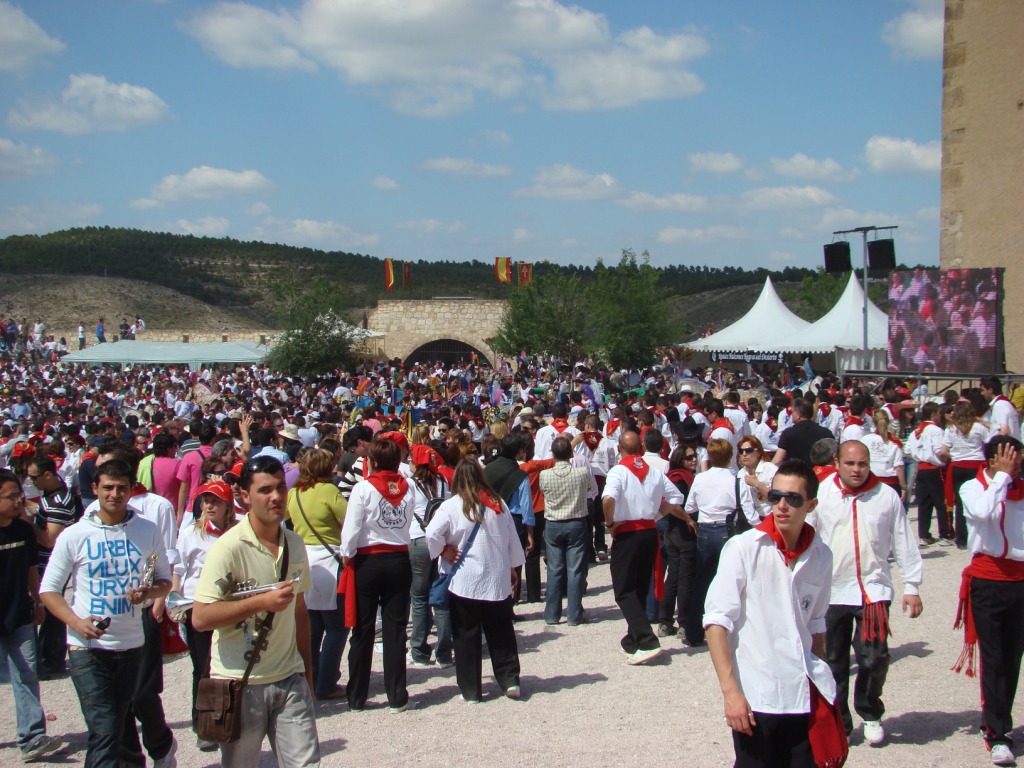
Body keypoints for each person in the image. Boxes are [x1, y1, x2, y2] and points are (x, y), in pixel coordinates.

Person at [705, 459, 847, 768]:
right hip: (758, 696)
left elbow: (817, 623)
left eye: (793, 499)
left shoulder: (822, 555)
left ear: (811, 504)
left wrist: (820, 681)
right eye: (775, 496)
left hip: (803, 696)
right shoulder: (742, 548)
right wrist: (731, 693)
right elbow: (716, 622)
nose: (782, 505)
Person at [40, 459, 173, 768]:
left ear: (131, 490)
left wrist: (149, 593)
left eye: (121, 488)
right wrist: (75, 622)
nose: (115, 494)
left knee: (120, 720)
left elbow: (164, 580)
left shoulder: (147, 530)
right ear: (95, 489)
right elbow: (49, 590)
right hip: (87, 649)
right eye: (108, 488)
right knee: (105, 727)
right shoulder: (75, 535)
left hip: (131, 646)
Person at [191, 456, 318, 768]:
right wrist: (260, 602)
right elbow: (200, 617)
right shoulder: (228, 548)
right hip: (240, 681)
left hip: (289, 677)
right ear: (244, 497)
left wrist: (308, 675)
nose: (275, 497)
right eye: (264, 490)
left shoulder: (294, 543)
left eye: (279, 489)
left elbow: (300, 611)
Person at [812, 440, 923, 745]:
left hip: (873, 590)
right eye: (850, 464)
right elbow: (806, 536)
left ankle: (870, 710)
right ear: (837, 462)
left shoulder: (885, 496)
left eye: (862, 463)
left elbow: (903, 540)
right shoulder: (822, 494)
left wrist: (912, 585)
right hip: (831, 591)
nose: (857, 470)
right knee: (833, 661)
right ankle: (840, 723)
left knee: (874, 657)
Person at [425, 458, 526, 701]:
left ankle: (471, 689)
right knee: (501, 630)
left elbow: (431, 532)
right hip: (496, 574)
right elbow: (512, 538)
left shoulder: (451, 506)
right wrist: (513, 567)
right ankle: (509, 679)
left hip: (466, 578)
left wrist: (442, 550)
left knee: (466, 634)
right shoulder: (497, 503)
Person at [956, 436, 1024, 766]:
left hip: (1021, 581)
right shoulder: (974, 488)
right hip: (988, 581)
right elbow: (982, 512)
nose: (1016, 465)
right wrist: (1002, 479)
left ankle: (1003, 717)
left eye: (1018, 459)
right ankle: (996, 732)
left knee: (1013, 657)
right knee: (994, 656)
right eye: (1009, 459)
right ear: (992, 461)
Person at [603, 431, 691, 664]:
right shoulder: (654, 472)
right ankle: (633, 639)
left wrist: (610, 523)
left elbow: (608, 499)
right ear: (640, 449)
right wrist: (656, 515)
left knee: (623, 588)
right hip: (649, 531)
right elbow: (676, 499)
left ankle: (646, 638)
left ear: (619, 449)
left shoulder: (618, 471)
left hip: (628, 532)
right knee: (639, 586)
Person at [339, 438, 414, 712]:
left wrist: (346, 554)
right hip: (398, 556)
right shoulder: (409, 486)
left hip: (368, 559)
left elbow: (352, 528)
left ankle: (357, 695)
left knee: (363, 628)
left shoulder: (363, 489)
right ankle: (397, 694)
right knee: (395, 628)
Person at [171, 480, 237, 752]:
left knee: (230, 664)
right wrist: (174, 601)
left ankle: (230, 719)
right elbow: (179, 568)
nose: (209, 506)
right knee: (204, 667)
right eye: (205, 501)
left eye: (215, 501)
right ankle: (204, 725)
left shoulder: (236, 532)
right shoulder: (191, 534)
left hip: (230, 606)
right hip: (198, 606)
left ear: (227, 505)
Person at [0, 469, 60, 763]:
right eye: (11, 496)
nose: (18, 501)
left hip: (20, 615)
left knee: (26, 673)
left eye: (19, 495)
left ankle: (32, 737)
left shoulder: (24, 530)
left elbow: (31, 570)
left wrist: (38, 602)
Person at [286, 447, 349, 700]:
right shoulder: (329, 491)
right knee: (336, 627)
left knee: (312, 625)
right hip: (329, 557)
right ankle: (326, 681)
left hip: (304, 559)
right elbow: (348, 520)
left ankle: (309, 679)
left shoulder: (294, 494)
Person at [684, 438, 759, 646]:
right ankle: (729, 630)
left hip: (706, 530)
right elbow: (749, 511)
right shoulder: (736, 480)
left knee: (702, 582)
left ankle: (693, 632)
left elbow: (690, 506)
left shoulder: (700, 479)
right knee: (730, 582)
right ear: (729, 457)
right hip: (728, 530)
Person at [27, 454, 82, 679]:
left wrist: (26, 523)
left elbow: (50, 538)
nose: (32, 482)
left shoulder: (58, 502)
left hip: (48, 562)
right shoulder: (55, 496)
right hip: (47, 561)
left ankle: (51, 659)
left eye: (34, 477)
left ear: (47, 475)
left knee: (49, 608)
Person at [407, 443, 453, 668]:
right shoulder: (443, 481)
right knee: (441, 596)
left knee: (419, 596)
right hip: (440, 541)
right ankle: (444, 651)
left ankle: (419, 649)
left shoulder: (409, 484)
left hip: (418, 539)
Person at [539, 436, 593, 626]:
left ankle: (552, 614)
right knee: (575, 570)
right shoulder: (581, 473)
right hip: (576, 522)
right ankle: (574, 614)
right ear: (571, 454)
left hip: (553, 522)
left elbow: (543, 492)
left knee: (554, 569)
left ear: (553, 454)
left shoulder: (544, 475)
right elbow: (590, 489)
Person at [657, 445, 699, 641]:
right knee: (684, 577)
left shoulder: (672, 476)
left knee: (673, 575)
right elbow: (674, 505)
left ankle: (665, 621)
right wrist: (688, 519)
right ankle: (683, 622)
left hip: (671, 530)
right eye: (689, 457)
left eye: (695, 456)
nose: (694, 460)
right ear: (680, 459)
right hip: (682, 530)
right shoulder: (681, 479)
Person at [944, 399, 990, 550]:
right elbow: (989, 444)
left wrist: (952, 455)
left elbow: (944, 450)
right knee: (978, 499)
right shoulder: (978, 428)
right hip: (975, 465)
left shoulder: (951, 429)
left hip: (957, 465)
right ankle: (977, 536)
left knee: (960, 502)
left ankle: (961, 539)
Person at [906, 402, 950, 546]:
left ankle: (924, 535)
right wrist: (948, 459)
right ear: (933, 414)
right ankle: (946, 533)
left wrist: (920, 456)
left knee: (924, 503)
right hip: (934, 468)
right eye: (938, 413)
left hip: (921, 468)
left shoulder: (915, 431)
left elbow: (907, 451)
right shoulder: (936, 430)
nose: (940, 416)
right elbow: (939, 450)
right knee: (941, 502)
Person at [774, 399, 834, 466]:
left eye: (792, 412)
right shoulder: (826, 433)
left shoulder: (788, 433)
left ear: (798, 415)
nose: (791, 415)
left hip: (796, 473)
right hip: (820, 474)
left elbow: (777, 460)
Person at [737, 435, 778, 521]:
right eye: (741, 451)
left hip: (772, 517)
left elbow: (778, 498)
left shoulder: (770, 469)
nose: (744, 454)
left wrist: (757, 484)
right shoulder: (741, 474)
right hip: (752, 520)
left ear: (758, 452)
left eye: (748, 451)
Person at [981, 376, 1021, 440]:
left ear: (990, 390)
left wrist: (993, 446)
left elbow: (1004, 430)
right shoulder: (1003, 403)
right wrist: (983, 422)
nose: (981, 393)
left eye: (982, 390)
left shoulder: (1000, 405)